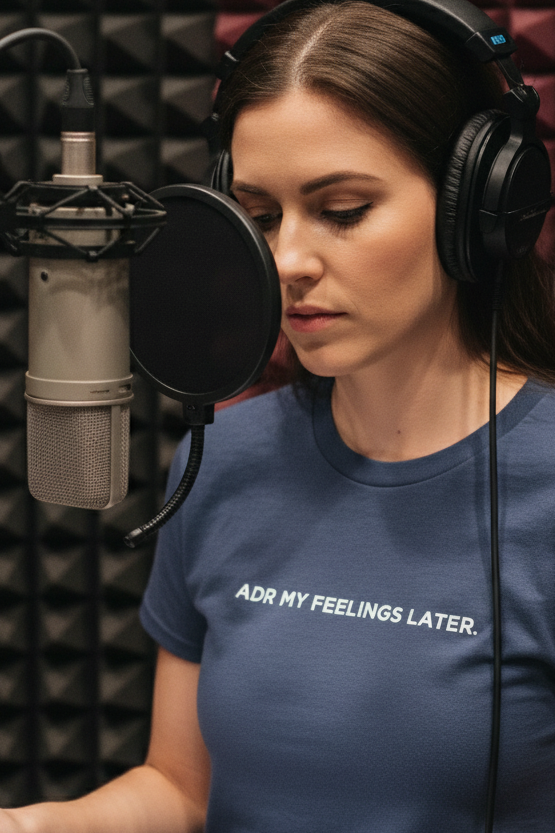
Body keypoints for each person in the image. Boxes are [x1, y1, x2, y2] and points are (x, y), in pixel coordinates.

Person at [3, 1, 555, 831]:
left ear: (473, 210)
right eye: (260, 216)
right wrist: (36, 824)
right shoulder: (225, 456)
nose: (286, 260)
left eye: (341, 210)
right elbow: (181, 788)